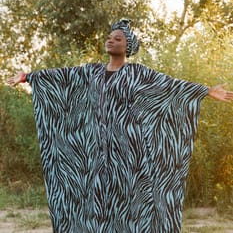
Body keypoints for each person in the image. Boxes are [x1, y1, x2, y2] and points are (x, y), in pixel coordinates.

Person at [7, 19, 233, 233]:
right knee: (96, 200)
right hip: (95, 152)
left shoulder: (138, 73)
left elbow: (169, 86)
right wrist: (28, 77)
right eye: (109, 37)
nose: (111, 40)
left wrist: (206, 91)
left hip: (129, 152)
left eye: (117, 39)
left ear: (128, 46)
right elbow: (62, 77)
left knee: (130, 202)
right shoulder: (90, 72)